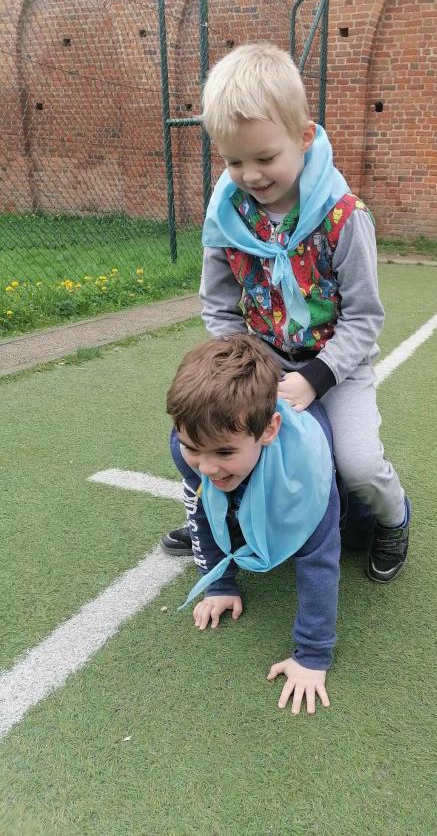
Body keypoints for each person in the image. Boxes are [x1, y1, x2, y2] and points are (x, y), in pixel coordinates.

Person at [161, 42, 411, 582]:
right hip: (261, 359)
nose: (250, 175)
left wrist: (316, 377)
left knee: (358, 464)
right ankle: (220, 518)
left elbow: (364, 319)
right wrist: (252, 368)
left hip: (336, 365)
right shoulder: (226, 216)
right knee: (228, 436)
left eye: (264, 158)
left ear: (303, 137)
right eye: (234, 161)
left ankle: (393, 520)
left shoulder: (344, 217)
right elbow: (219, 307)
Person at [167, 335, 341, 714]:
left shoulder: (305, 473)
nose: (206, 466)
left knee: (351, 519)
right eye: (192, 448)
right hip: (258, 460)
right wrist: (219, 583)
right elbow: (201, 511)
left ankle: (392, 521)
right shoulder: (190, 446)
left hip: (303, 469)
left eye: (223, 451)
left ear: (269, 430)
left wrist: (313, 654)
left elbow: (320, 558)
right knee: (225, 492)